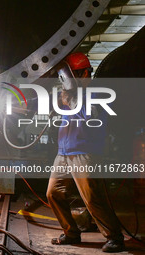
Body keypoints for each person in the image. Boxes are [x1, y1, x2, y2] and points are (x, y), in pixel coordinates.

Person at [46, 52, 125, 253]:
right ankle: (71, 232)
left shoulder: (96, 93)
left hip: (84, 152)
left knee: (92, 198)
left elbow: (90, 117)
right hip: (64, 152)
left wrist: (69, 101)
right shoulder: (72, 95)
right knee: (53, 193)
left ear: (81, 74)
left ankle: (115, 237)